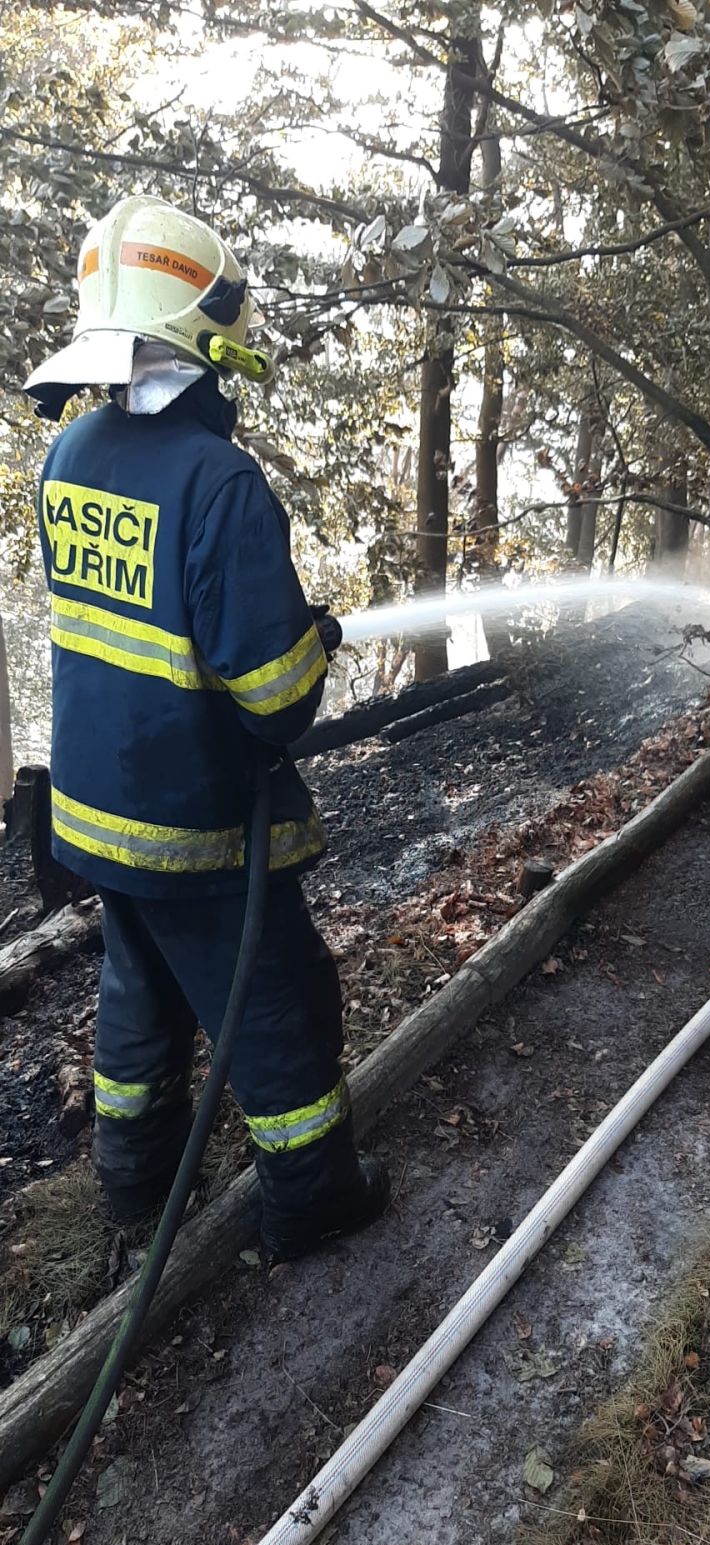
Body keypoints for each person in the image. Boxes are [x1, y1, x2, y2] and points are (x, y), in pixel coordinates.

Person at [23, 195, 389, 1259]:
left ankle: (135, 1181)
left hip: (98, 809)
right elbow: (272, 696)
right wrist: (310, 642)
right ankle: (311, 1194)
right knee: (275, 1000)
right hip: (195, 820)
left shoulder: (70, 456)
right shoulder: (220, 484)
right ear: (205, 324)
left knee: (137, 987)